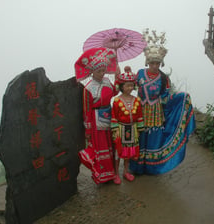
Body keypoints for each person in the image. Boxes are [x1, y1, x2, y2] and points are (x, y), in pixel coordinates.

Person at [129, 29, 196, 175]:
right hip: (140, 110)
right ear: (147, 62)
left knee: (153, 137)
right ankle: (137, 166)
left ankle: (151, 167)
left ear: (161, 63)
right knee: (139, 137)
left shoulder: (163, 78)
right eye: (152, 63)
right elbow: (129, 87)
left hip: (155, 112)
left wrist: (180, 97)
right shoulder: (140, 73)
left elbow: (166, 96)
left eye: (157, 63)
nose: (155, 66)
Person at [75, 47, 119, 184]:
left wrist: (118, 76)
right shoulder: (88, 88)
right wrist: (87, 129)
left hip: (108, 115)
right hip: (95, 119)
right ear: (92, 71)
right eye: (99, 71)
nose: (102, 73)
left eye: (103, 70)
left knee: (111, 144)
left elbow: (114, 92)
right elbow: (86, 109)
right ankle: (103, 174)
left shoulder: (106, 81)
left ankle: (112, 172)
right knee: (101, 147)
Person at [110, 66, 144, 184]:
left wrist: (139, 129)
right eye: (127, 85)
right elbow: (113, 116)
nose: (129, 88)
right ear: (121, 86)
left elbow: (139, 115)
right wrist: (115, 130)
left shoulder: (136, 100)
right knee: (118, 153)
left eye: (131, 85)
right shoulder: (116, 101)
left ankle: (125, 171)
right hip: (120, 129)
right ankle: (116, 174)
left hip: (133, 129)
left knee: (128, 153)